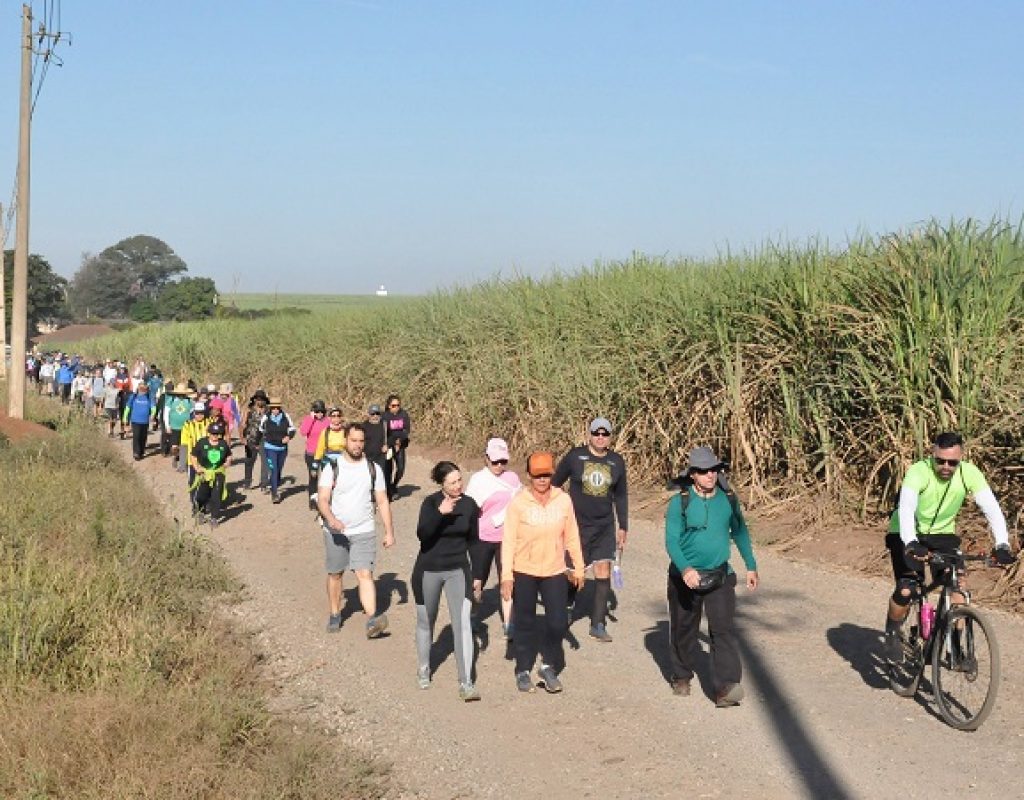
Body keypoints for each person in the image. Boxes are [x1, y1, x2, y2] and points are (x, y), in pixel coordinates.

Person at [882, 431, 1015, 662]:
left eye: (952, 462)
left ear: (960, 458)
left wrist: (1002, 544)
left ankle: (956, 647)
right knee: (907, 589)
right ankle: (892, 633)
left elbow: (992, 509)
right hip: (905, 532)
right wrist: (911, 542)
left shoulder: (969, 473)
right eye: (940, 460)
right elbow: (905, 509)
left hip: (942, 534)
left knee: (957, 586)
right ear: (932, 454)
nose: (945, 466)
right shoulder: (918, 471)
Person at [664, 446, 758, 706]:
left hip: (720, 576)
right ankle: (682, 675)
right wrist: (685, 569)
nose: (710, 475)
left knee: (723, 630)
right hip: (685, 577)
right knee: (684, 629)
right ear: (693, 474)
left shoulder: (727, 499)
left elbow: (740, 532)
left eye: (714, 470)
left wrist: (751, 565)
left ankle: (726, 688)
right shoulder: (679, 502)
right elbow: (671, 541)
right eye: (703, 471)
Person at [501, 451, 585, 694]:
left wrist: (578, 567)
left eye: (547, 475)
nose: (542, 480)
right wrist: (507, 576)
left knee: (558, 622)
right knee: (525, 622)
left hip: (554, 570)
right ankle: (523, 669)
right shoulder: (518, 503)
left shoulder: (563, 500)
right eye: (537, 475)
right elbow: (508, 541)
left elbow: (572, 535)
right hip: (524, 570)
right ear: (529, 475)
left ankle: (547, 665)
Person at [552, 416, 629, 643]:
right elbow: (556, 483)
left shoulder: (617, 462)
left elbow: (622, 495)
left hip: (604, 525)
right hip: (577, 525)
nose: (600, 438)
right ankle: (566, 607)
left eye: (605, 434)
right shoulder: (576, 456)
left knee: (603, 571)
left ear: (610, 437)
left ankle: (598, 623)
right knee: (575, 572)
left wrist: (623, 525)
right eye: (597, 433)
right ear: (589, 434)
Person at [316, 422, 395, 639]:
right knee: (335, 574)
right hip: (336, 533)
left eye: (361, 441)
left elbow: (382, 500)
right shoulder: (332, 467)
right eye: (354, 440)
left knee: (365, 574)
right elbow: (322, 500)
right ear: (345, 441)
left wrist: (389, 531)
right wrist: (331, 519)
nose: (358, 445)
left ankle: (372, 619)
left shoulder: (373, 468)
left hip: (364, 529)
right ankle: (334, 613)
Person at [413, 461, 481, 701]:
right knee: (425, 620)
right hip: (428, 570)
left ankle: (466, 682)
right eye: (452, 482)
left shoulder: (470, 505)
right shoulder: (430, 503)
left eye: (459, 480)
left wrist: (479, 575)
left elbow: (475, 541)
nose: (458, 486)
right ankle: (424, 668)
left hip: (458, 570)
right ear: (441, 484)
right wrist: (440, 515)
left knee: (462, 624)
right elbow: (423, 534)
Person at [465, 437, 521, 639]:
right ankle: (472, 614)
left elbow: (520, 505)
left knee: (507, 579)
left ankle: (509, 623)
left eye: (503, 461)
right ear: (486, 458)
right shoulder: (478, 480)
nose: (499, 466)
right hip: (482, 538)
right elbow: (469, 510)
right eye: (495, 461)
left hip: (507, 539)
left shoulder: (513, 479)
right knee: (478, 580)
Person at [190, 421, 231, 528]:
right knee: (202, 495)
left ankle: (214, 517)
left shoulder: (223, 444)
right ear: (209, 433)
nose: (215, 436)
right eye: (213, 433)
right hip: (204, 473)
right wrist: (197, 468)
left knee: (216, 495)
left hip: (218, 473)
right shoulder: (202, 443)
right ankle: (200, 512)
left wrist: (228, 462)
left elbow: (229, 455)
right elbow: (193, 456)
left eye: (217, 434)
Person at [259, 398, 296, 503]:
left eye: (277, 408)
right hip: (270, 447)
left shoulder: (285, 416)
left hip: (282, 448)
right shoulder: (266, 417)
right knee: (273, 469)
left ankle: (274, 484)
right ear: (270, 408)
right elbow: (260, 430)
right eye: (273, 408)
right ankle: (274, 493)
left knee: (279, 470)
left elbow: (292, 429)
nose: (275, 410)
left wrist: (289, 437)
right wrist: (257, 444)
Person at [299, 400, 330, 510]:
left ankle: (325, 500)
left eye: (321, 411)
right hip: (311, 453)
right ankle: (313, 500)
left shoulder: (328, 421)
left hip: (325, 454)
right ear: (313, 411)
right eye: (317, 411)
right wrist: (311, 419)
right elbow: (303, 432)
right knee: (313, 477)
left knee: (327, 478)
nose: (319, 414)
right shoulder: (309, 420)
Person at [382, 394, 411, 501]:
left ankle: (394, 485)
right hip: (389, 446)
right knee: (388, 470)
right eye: (394, 405)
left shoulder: (403, 415)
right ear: (389, 406)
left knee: (401, 468)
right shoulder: (385, 417)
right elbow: (384, 433)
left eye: (398, 405)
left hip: (400, 445)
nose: (396, 407)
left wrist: (399, 443)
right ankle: (388, 491)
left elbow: (406, 430)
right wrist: (387, 445)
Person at [363, 404, 392, 500]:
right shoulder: (364, 426)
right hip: (368, 455)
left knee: (380, 476)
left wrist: (388, 445)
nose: (375, 416)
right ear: (369, 414)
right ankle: (370, 496)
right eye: (373, 414)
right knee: (369, 476)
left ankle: (381, 497)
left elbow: (392, 437)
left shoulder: (385, 425)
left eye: (377, 413)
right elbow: (360, 440)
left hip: (381, 456)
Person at [241, 390, 269, 489]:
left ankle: (264, 484)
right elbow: (243, 424)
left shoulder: (268, 411)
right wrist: (242, 437)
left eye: (262, 399)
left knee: (265, 462)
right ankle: (247, 482)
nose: (260, 401)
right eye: (258, 399)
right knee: (249, 461)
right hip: (250, 439)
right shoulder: (249, 410)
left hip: (264, 440)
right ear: (255, 400)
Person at [162, 383, 195, 462]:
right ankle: (176, 456)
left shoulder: (189, 401)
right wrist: (167, 425)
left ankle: (182, 459)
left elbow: (192, 413)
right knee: (174, 445)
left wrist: (192, 424)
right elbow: (166, 413)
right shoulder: (171, 400)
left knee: (183, 444)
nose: (181, 395)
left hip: (186, 426)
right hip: (174, 426)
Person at [123, 383, 156, 461]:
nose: (143, 391)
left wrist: (153, 415)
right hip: (135, 420)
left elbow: (153, 407)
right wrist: (125, 419)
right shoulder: (133, 397)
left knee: (143, 437)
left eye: (144, 389)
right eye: (141, 389)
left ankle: (141, 451)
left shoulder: (149, 397)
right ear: (138, 389)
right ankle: (136, 453)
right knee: (136, 436)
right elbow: (127, 408)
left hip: (145, 421)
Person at [181, 402, 211, 482]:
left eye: (201, 413)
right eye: (197, 413)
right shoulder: (187, 425)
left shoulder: (209, 423)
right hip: (192, 460)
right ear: (194, 413)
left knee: (207, 481)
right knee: (192, 482)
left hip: (207, 459)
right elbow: (184, 443)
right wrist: (182, 462)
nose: (199, 415)